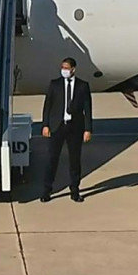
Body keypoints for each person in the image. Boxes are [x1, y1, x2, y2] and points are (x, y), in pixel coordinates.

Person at [41, 57, 93, 203]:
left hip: (75, 127)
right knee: (52, 159)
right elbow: (48, 106)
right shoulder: (54, 84)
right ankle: (47, 190)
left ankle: (75, 191)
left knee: (74, 160)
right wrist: (45, 125)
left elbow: (87, 109)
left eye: (66, 68)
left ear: (73, 69)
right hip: (57, 126)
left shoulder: (83, 86)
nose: (64, 70)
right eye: (62, 67)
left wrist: (88, 129)